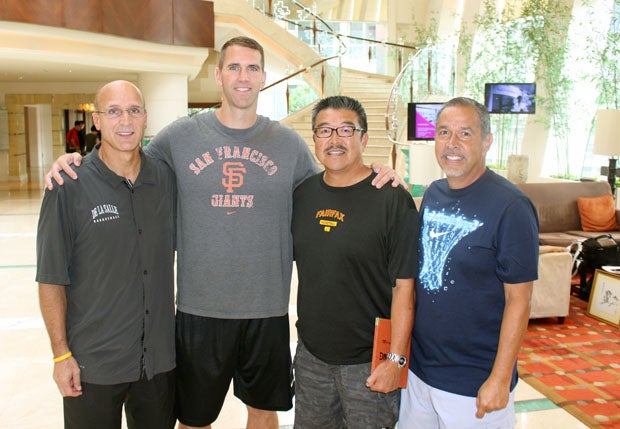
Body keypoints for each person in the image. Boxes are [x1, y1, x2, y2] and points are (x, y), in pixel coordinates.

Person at [44, 36, 401, 429]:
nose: (242, 76)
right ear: (217, 75)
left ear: (264, 77)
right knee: (194, 419)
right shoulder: (179, 137)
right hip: (199, 311)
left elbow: (336, 181)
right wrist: (74, 160)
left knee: (264, 414)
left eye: (251, 68)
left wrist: (377, 173)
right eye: (233, 67)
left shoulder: (288, 144)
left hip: (266, 310)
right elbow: (125, 156)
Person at [36, 80, 177, 429]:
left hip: (158, 364)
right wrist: (61, 354)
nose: (125, 121)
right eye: (113, 111)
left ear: (145, 117)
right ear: (97, 120)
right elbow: (51, 278)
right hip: (94, 365)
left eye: (133, 110)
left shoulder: (166, 179)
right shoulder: (69, 184)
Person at [399, 97, 539, 428]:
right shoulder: (434, 193)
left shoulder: (512, 206)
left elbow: (519, 301)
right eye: (444, 132)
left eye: (465, 133)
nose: (452, 144)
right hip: (420, 372)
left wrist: (500, 379)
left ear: (487, 141)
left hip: (472, 382)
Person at [292, 95, 419, 428]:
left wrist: (396, 361)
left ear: (364, 138)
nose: (334, 139)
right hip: (311, 359)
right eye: (324, 131)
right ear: (314, 140)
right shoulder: (301, 195)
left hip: (370, 362)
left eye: (346, 129)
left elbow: (405, 288)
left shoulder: (392, 198)